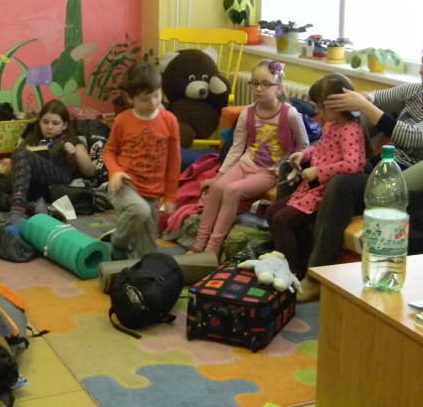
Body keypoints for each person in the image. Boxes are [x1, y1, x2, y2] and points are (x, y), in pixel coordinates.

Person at [298, 35, 423, 302]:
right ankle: (295, 260)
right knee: (315, 170)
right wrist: (357, 99)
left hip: (412, 186)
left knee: (342, 184)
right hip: (385, 168)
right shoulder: (416, 92)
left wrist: (365, 106)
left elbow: (412, 137)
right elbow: (375, 98)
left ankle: (316, 277)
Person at [188, 60, 310, 256]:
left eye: (266, 84)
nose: (259, 89)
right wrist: (218, 176)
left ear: (279, 88)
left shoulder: (290, 114)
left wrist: (293, 167)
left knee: (232, 191)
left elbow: (304, 146)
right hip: (246, 163)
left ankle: (212, 249)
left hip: (268, 172)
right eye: (255, 83)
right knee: (217, 188)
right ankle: (199, 242)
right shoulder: (248, 113)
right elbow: (236, 148)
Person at [264, 73, 367, 278]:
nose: (318, 112)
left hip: (324, 194)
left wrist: (318, 171)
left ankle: (290, 271)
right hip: (310, 190)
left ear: (338, 105)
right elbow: (320, 147)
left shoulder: (351, 129)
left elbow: (352, 165)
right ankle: (294, 258)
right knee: (272, 213)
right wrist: (304, 154)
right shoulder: (334, 126)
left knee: (282, 220)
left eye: (321, 107)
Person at [103, 61, 181, 259]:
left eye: (157, 95)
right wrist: (115, 171)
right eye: (145, 99)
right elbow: (109, 151)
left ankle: (126, 242)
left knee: (147, 256)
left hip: (152, 194)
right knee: (139, 210)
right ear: (130, 98)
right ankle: (119, 242)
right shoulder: (122, 120)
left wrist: (170, 196)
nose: (153, 102)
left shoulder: (170, 121)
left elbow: (174, 161)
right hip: (124, 186)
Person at [7, 99, 96, 227]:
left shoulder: (72, 140)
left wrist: (75, 151)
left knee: (22, 153)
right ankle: (32, 206)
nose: (49, 127)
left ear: (64, 125)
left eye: (55, 123)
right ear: (39, 123)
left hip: (58, 179)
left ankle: (17, 211)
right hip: (31, 184)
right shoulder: (32, 140)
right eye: (45, 122)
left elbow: (90, 171)